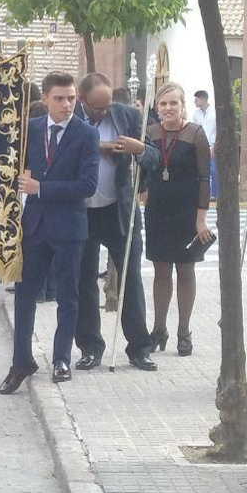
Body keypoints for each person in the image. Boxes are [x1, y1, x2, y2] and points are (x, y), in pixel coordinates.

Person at [0, 72, 98, 393]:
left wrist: (41, 188)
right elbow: (14, 167)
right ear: (45, 98)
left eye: (71, 98)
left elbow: (87, 185)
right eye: (59, 98)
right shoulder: (32, 129)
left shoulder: (86, 135)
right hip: (36, 226)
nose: (66, 104)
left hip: (69, 226)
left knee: (68, 297)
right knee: (25, 294)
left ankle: (61, 359)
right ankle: (21, 361)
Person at [73, 73, 157, 371]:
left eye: (108, 105)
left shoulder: (129, 115)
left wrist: (140, 149)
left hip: (119, 211)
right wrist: (94, 148)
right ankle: (90, 347)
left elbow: (154, 158)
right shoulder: (71, 118)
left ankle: (139, 348)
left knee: (130, 279)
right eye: (97, 108)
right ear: (82, 101)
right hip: (81, 211)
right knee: (83, 281)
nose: (104, 112)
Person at [143, 83, 214, 355]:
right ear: (157, 107)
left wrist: (201, 218)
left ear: (182, 105)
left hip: (186, 212)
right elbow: (144, 170)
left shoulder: (195, 134)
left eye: (173, 103)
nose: (168, 108)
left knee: (185, 270)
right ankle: (158, 329)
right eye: (163, 104)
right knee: (160, 271)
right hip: (158, 210)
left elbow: (204, 178)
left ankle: (184, 331)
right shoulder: (149, 133)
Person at [193, 90, 218, 199]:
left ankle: (215, 194)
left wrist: (215, 146)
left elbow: (218, 130)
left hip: (213, 145)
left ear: (202, 99)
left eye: (196, 100)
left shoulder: (214, 112)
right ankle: (203, 193)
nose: (195, 102)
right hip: (200, 145)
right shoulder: (196, 114)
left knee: (213, 170)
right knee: (201, 170)